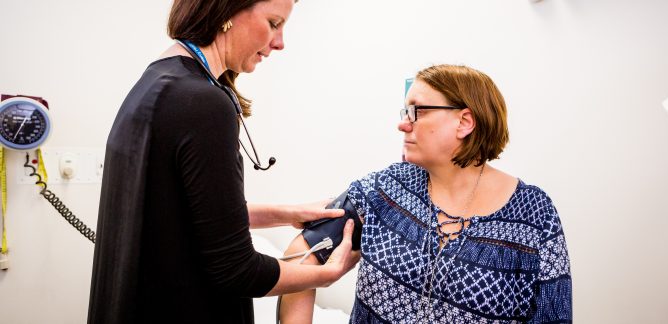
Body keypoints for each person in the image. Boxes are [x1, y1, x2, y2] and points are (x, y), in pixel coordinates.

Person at [87, 0, 360, 323]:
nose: (280, 43)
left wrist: (289, 214)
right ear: (226, 12)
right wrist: (327, 274)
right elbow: (237, 270)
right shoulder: (203, 104)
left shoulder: (159, 81)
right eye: (274, 23)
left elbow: (186, 214)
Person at [279, 64, 572, 323]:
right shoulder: (386, 187)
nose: (403, 123)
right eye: (405, 111)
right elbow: (301, 254)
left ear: (464, 122)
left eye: (417, 111)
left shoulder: (535, 214)